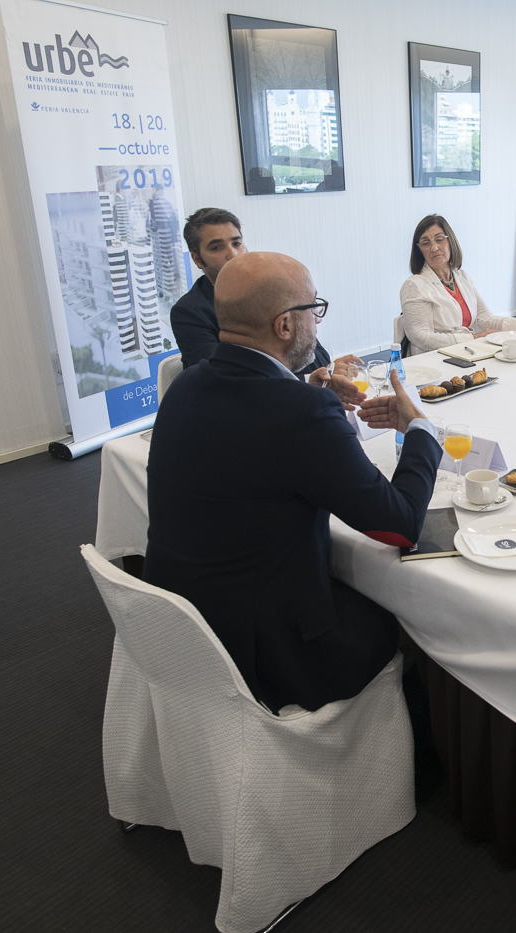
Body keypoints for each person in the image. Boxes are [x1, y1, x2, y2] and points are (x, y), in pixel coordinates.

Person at [144, 251, 442, 713]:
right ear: (285, 325)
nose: (318, 324)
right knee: (411, 620)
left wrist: (309, 389)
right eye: (314, 310)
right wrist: (421, 430)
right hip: (270, 651)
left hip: (183, 626)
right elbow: (399, 526)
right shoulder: (302, 413)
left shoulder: (186, 385)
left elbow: (249, 439)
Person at [170, 207, 338, 378]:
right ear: (198, 259)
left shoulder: (273, 288)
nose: (233, 254)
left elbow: (318, 358)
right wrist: (304, 375)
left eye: (236, 243)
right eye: (217, 248)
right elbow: (222, 375)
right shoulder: (189, 311)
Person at [400, 214, 516, 354]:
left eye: (439, 240)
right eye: (425, 243)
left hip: (467, 352)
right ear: (419, 250)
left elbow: (486, 319)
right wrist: (472, 337)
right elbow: (421, 337)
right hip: (435, 358)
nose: (434, 248)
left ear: (450, 242)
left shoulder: (461, 276)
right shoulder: (414, 286)